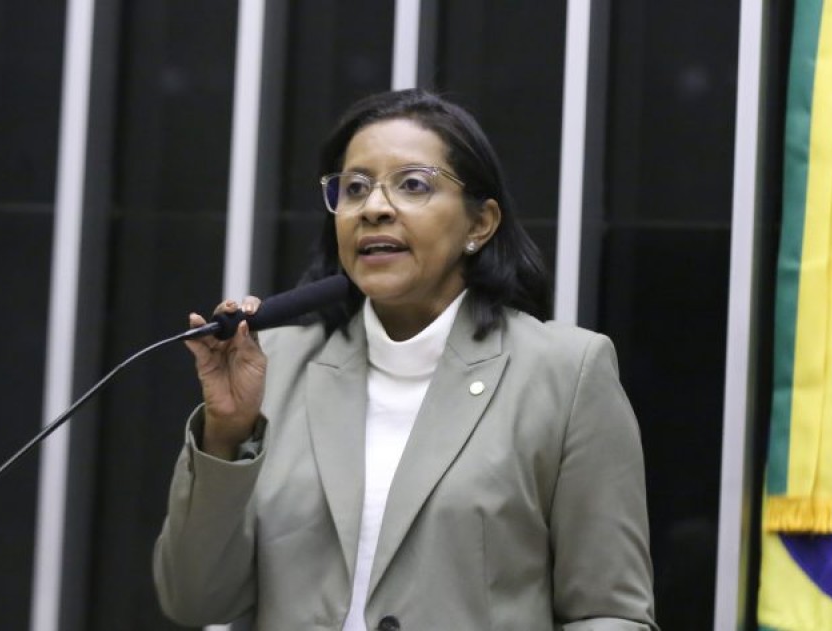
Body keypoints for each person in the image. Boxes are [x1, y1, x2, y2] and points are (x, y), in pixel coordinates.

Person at [153, 89, 657, 630]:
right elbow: (194, 601)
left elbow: (610, 612)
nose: (374, 207)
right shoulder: (273, 366)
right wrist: (227, 434)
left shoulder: (564, 373)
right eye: (355, 188)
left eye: (413, 184)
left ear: (480, 224)